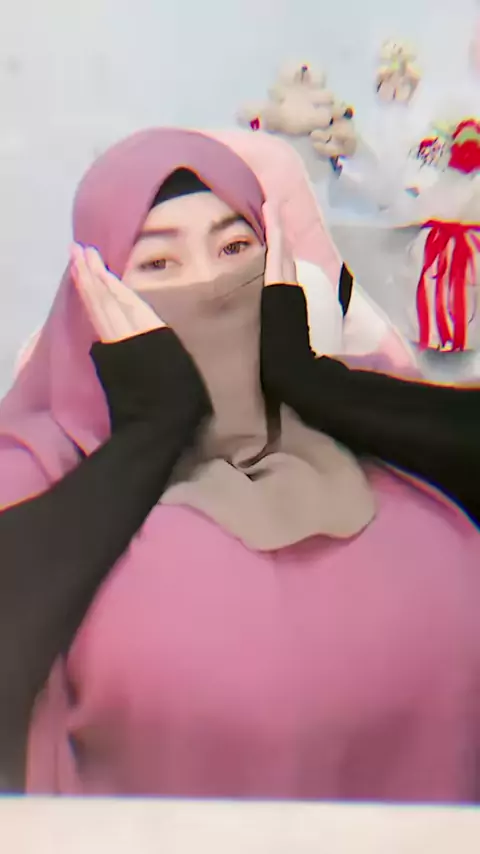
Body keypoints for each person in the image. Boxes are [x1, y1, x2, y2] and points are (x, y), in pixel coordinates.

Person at [0, 128, 479, 800]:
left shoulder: (377, 415)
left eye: (234, 248)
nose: (211, 285)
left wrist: (311, 382)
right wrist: (149, 435)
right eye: (158, 263)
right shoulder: (38, 464)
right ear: (96, 297)